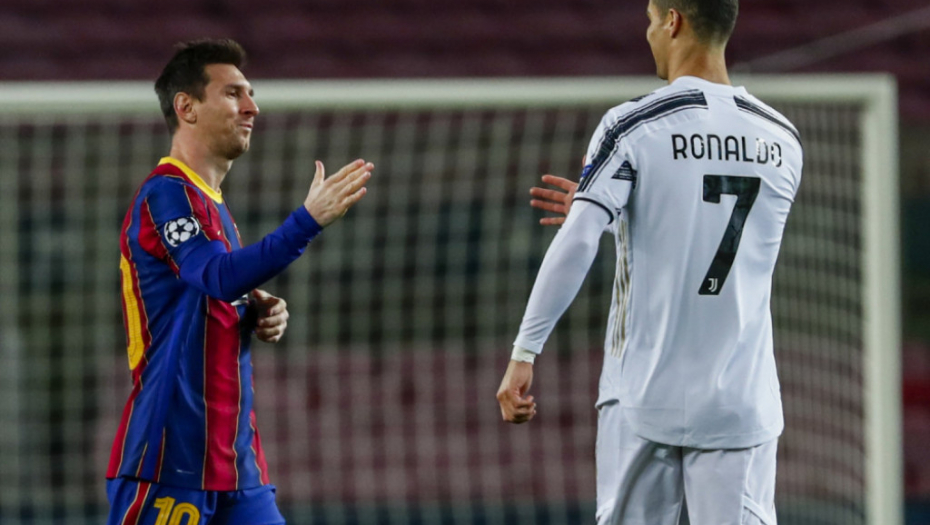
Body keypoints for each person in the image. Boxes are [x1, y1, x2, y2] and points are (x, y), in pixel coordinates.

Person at [496, 0, 803, 523]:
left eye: (649, 20)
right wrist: (625, 216)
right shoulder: (782, 138)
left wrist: (525, 350)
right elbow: (719, 238)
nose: (648, 34)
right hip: (740, 401)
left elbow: (576, 242)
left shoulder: (634, 124)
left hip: (644, 391)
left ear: (673, 21)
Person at [106, 39, 373, 525]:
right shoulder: (166, 195)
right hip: (169, 457)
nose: (252, 107)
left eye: (250, 94)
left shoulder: (214, 206)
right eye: (233, 94)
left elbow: (210, 290)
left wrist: (251, 310)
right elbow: (216, 275)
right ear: (186, 107)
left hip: (235, 462)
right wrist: (306, 221)